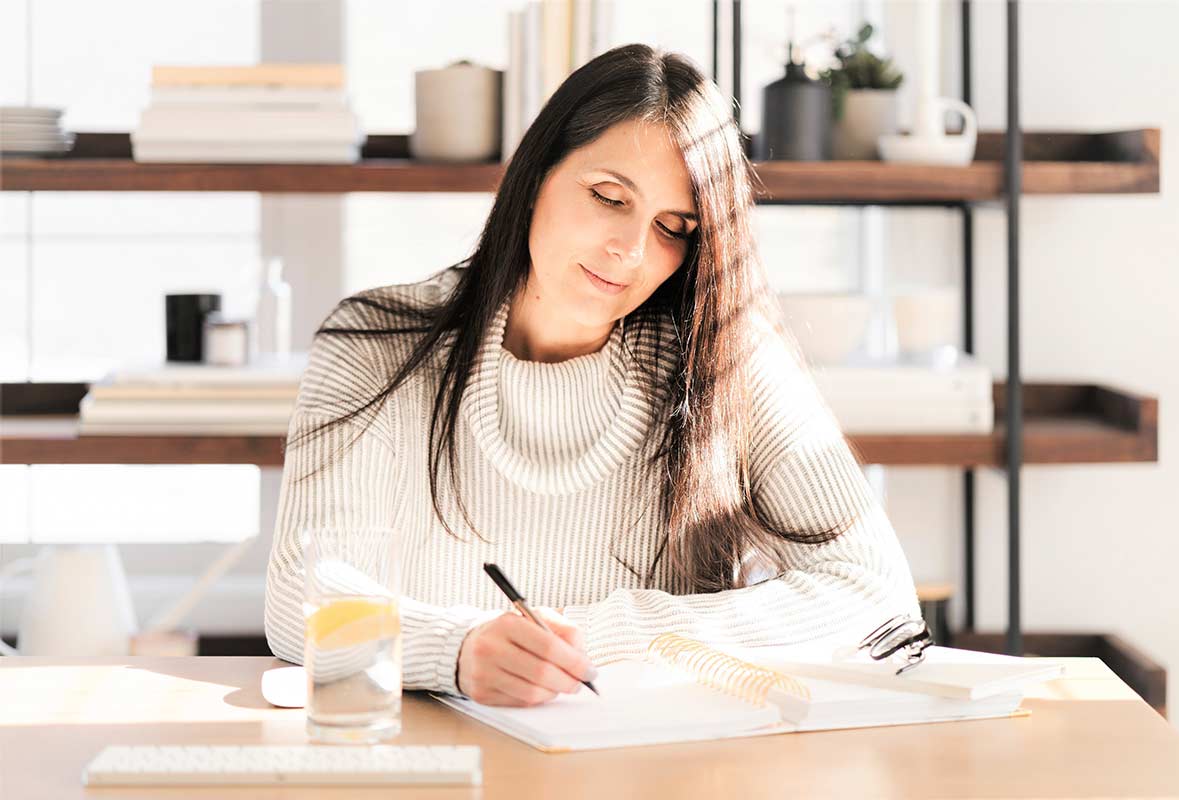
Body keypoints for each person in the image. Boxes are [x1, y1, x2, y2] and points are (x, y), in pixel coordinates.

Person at [265, 43, 920, 708]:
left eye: (673, 228)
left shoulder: (724, 358)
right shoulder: (378, 343)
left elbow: (877, 594)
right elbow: (305, 595)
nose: (631, 251)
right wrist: (457, 650)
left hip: (642, 760)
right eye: (609, 197)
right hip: (437, 758)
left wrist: (604, 634)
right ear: (536, 176)